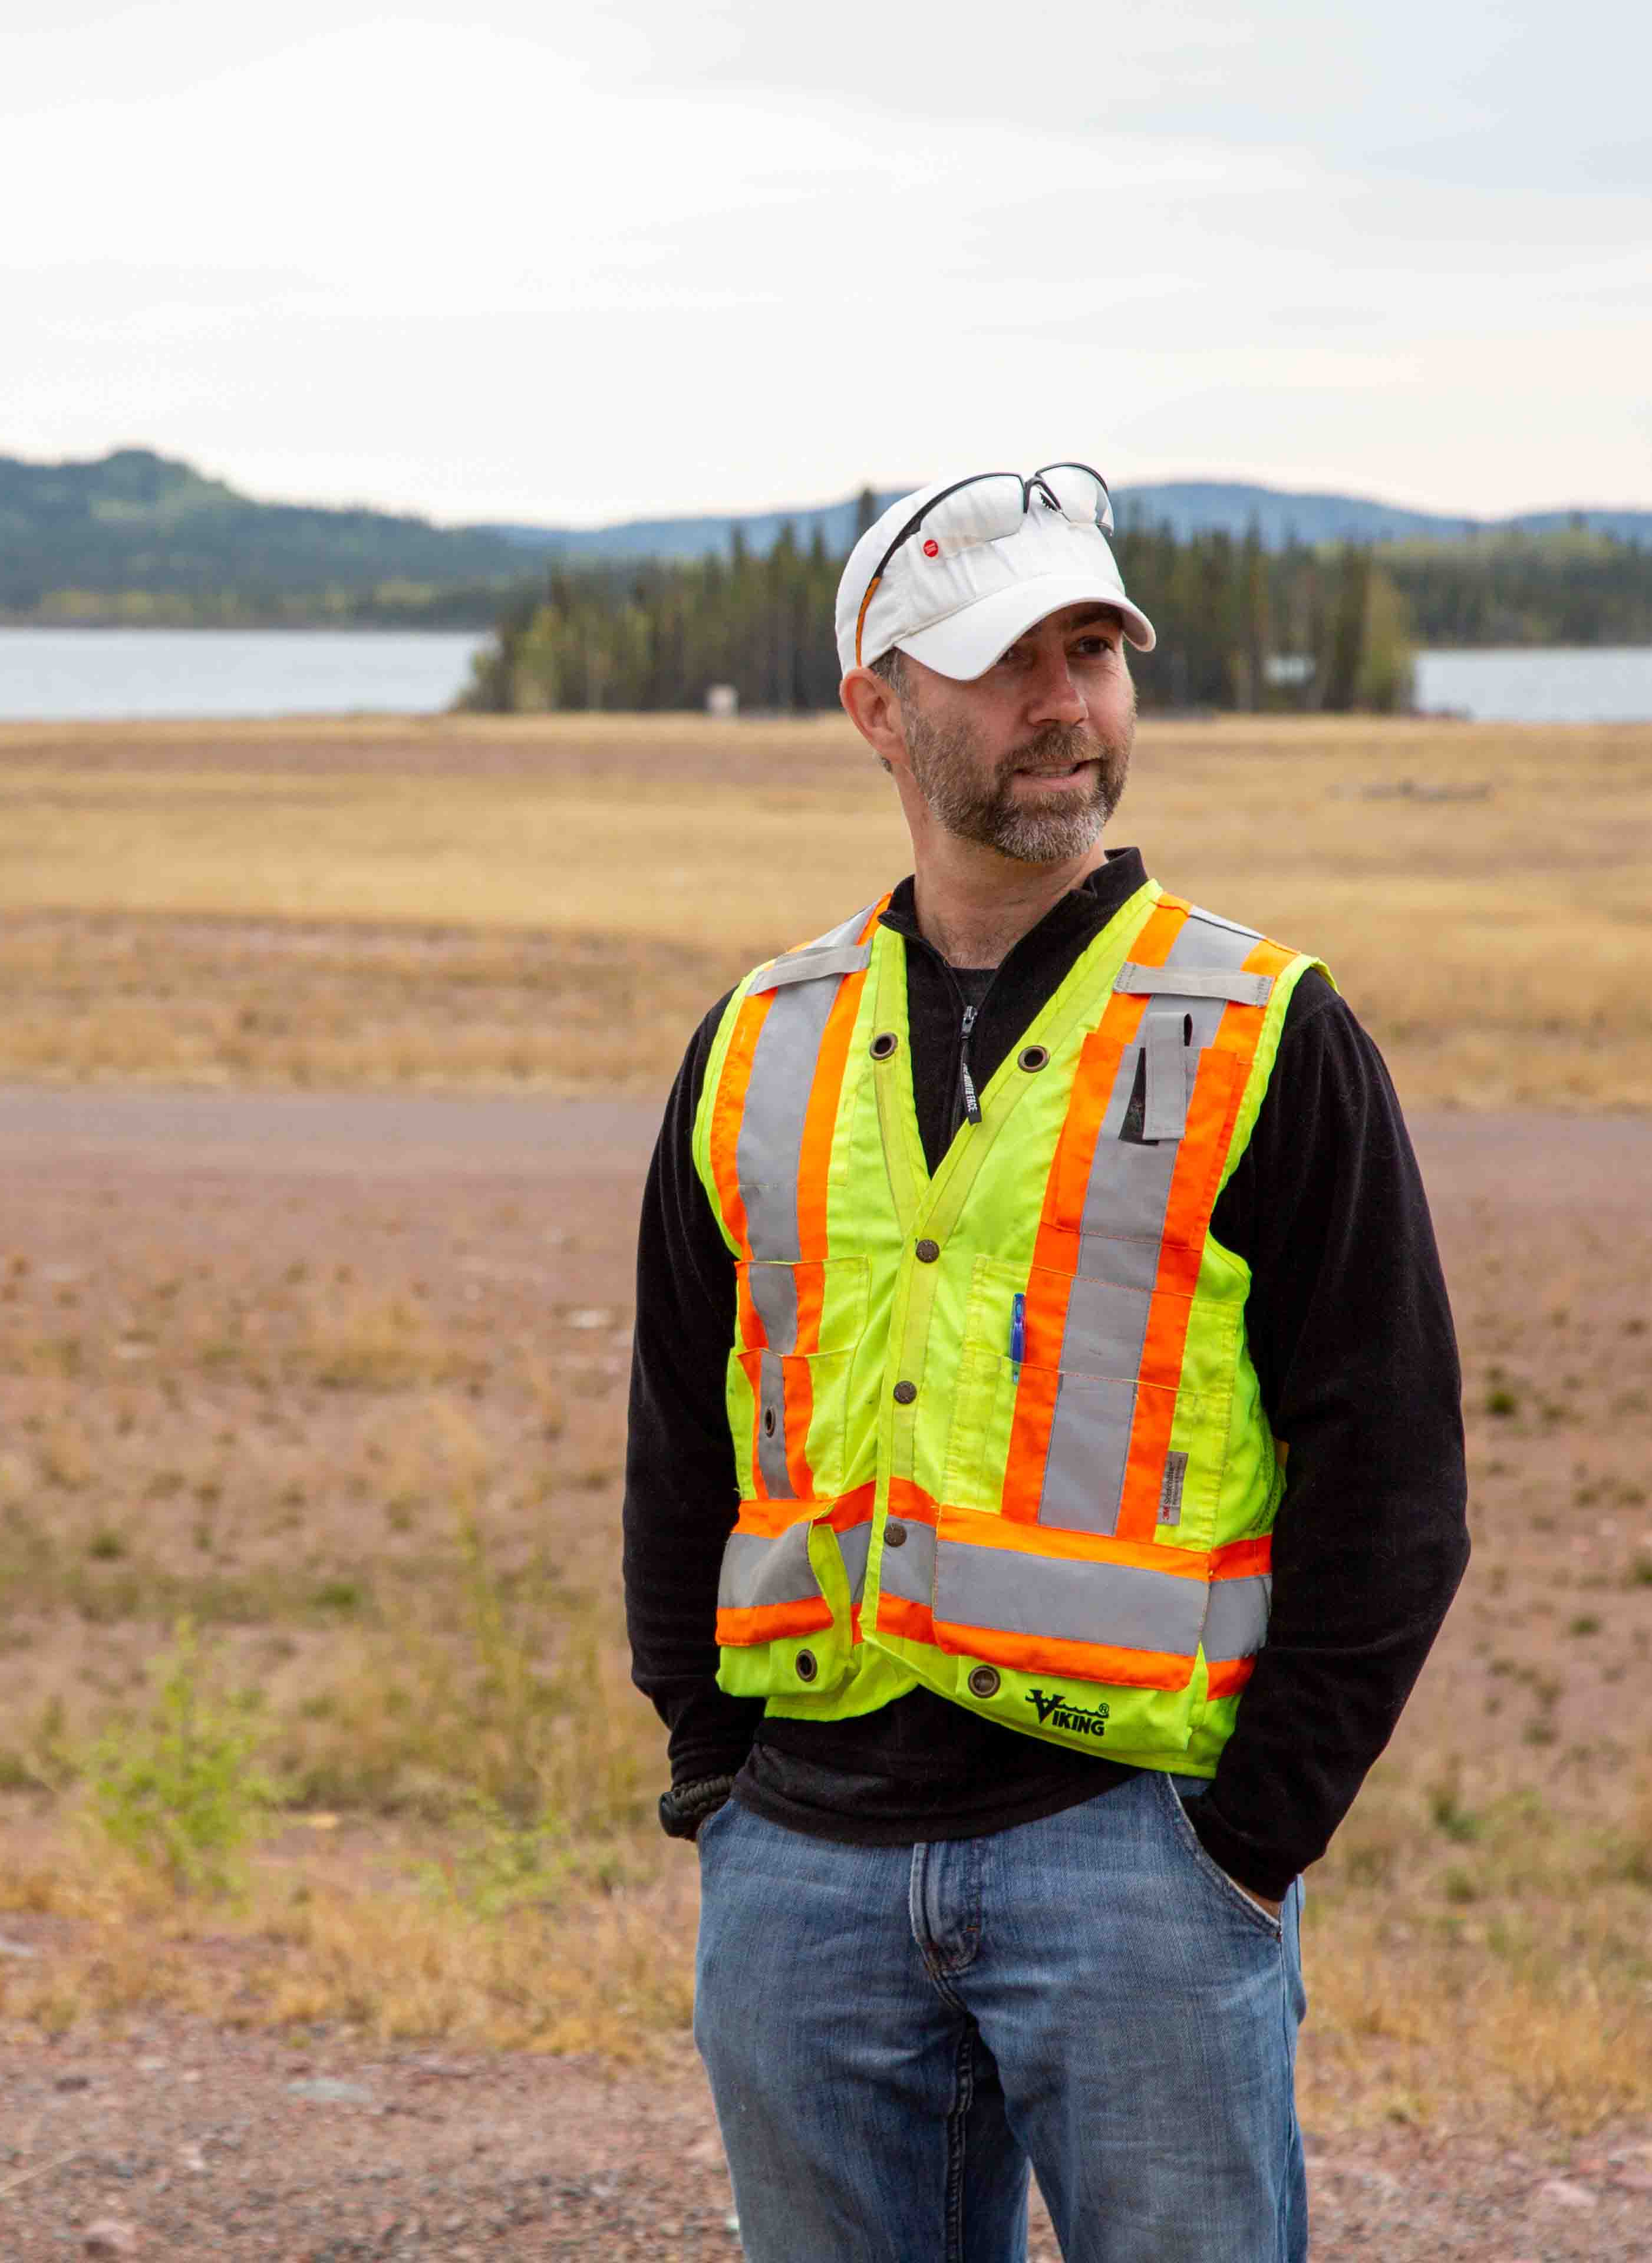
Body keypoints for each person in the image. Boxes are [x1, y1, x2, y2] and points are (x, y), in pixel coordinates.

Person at [620, 466, 1469, 2262]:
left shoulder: (1264, 1031)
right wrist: (718, 1785)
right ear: (879, 706)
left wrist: (1248, 1840)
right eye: (1007, 659)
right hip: (805, 1873)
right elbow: (679, 1444)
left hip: (1139, 1863)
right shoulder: (756, 1044)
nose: (1063, 704)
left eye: (1094, 649)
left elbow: (1394, 1481)